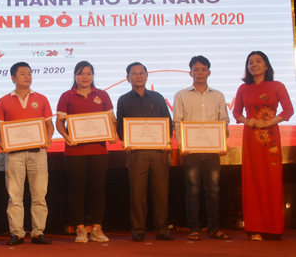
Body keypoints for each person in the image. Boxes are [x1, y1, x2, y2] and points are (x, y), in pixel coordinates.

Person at [232, 51, 293, 241]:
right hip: (251, 138)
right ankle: (255, 228)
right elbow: (236, 113)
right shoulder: (243, 88)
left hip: (270, 139)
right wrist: (247, 120)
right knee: (253, 180)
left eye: (259, 61)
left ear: (267, 66)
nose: (254, 65)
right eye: (251, 62)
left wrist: (268, 122)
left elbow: (288, 110)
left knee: (271, 181)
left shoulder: (277, 86)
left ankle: (273, 228)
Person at [55, 61, 116, 243]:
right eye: (81, 74)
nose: (85, 77)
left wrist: (112, 133)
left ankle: (97, 228)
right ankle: (80, 229)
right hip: (74, 152)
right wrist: (66, 136)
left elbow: (111, 120)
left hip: (99, 151)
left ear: (93, 76)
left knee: (98, 191)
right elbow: (59, 122)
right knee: (76, 191)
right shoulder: (67, 96)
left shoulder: (102, 95)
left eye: (88, 74)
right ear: (75, 75)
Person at [0, 62, 54, 246]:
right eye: (22, 74)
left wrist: (48, 139)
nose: (27, 76)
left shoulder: (42, 99)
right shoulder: (3, 101)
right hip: (14, 155)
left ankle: (38, 232)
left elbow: (48, 126)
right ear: (13, 78)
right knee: (15, 195)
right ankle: (17, 233)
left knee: (39, 195)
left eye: (29, 73)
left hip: (38, 153)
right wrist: (2, 142)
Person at [173, 56, 231, 241]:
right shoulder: (181, 95)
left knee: (213, 190)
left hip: (213, 151)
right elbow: (178, 122)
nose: (200, 73)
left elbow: (224, 121)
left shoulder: (218, 95)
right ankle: (194, 229)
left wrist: (222, 142)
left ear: (209, 72)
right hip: (191, 152)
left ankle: (214, 228)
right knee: (193, 190)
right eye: (196, 70)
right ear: (190, 72)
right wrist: (183, 144)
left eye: (203, 69)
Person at [116, 62, 173, 242]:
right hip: (137, 152)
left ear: (147, 76)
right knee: (137, 192)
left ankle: (162, 228)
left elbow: (168, 123)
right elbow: (120, 127)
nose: (138, 76)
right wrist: (128, 141)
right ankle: (139, 229)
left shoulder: (157, 98)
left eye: (142, 73)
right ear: (127, 78)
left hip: (158, 152)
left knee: (161, 192)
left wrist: (164, 139)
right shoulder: (123, 100)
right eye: (134, 74)